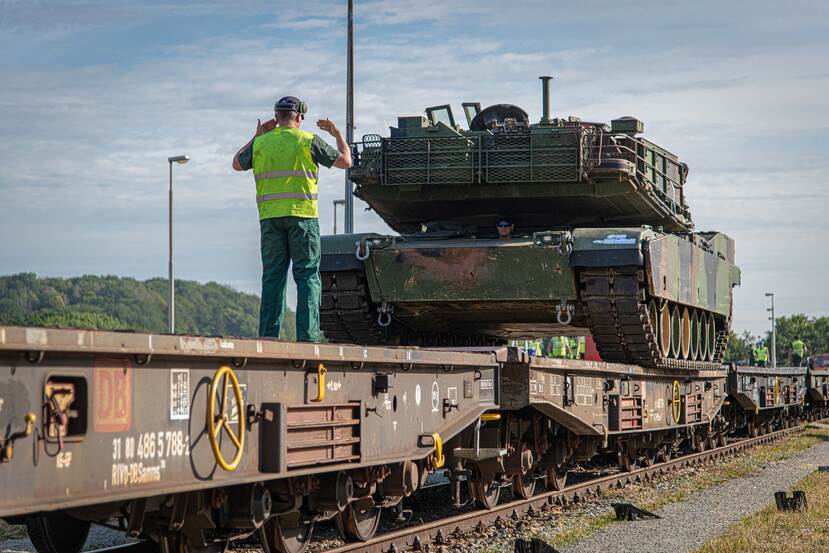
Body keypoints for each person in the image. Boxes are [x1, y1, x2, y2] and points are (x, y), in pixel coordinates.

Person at [233, 96, 351, 342]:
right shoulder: (308, 140)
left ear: (276, 119)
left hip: (270, 219)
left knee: (273, 278)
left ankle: (267, 338)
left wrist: (257, 135)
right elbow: (345, 161)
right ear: (299, 117)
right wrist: (337, 132)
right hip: (303, 219)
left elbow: (236, 163)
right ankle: (307, 339)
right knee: (307, 276)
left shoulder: (261, 144)